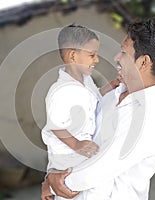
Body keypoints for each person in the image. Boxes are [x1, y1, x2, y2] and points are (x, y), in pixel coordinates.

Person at [42, 18, 155, 200]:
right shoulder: (113, 95)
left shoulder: (149, 120)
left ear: (143, 62)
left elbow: (97, 170)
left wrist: (52, 185)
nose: (116, 57)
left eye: (124, 52)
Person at [41, 24, 120, 200]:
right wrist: (76, 144)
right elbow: (56, 127)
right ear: (73, 56)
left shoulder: (87, 81)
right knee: (68, 193)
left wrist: (108, 87)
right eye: (92, 55)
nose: (97, 60)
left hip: (82, 159)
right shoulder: (60, 91)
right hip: (66, 163)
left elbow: (94, 96)